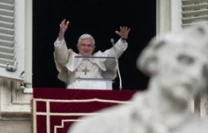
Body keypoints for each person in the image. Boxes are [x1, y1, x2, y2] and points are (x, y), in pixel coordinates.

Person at [68, 19, 208, 133]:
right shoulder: (97, 127)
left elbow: (112, 55)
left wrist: (121, 41)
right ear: (154, 61)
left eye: (205, 71)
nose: (195, 74)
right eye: (185, 60)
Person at [54, 19, 130, 89]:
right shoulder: (71, 57)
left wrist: (122, 40)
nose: (86, 48)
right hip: (74, 95)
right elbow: (61, 56)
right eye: (83, 45)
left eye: (89, 45)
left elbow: (113, 54)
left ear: (93, 48)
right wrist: (61, 35)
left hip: (97, 95)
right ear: (78, 46)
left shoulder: (99, 57)